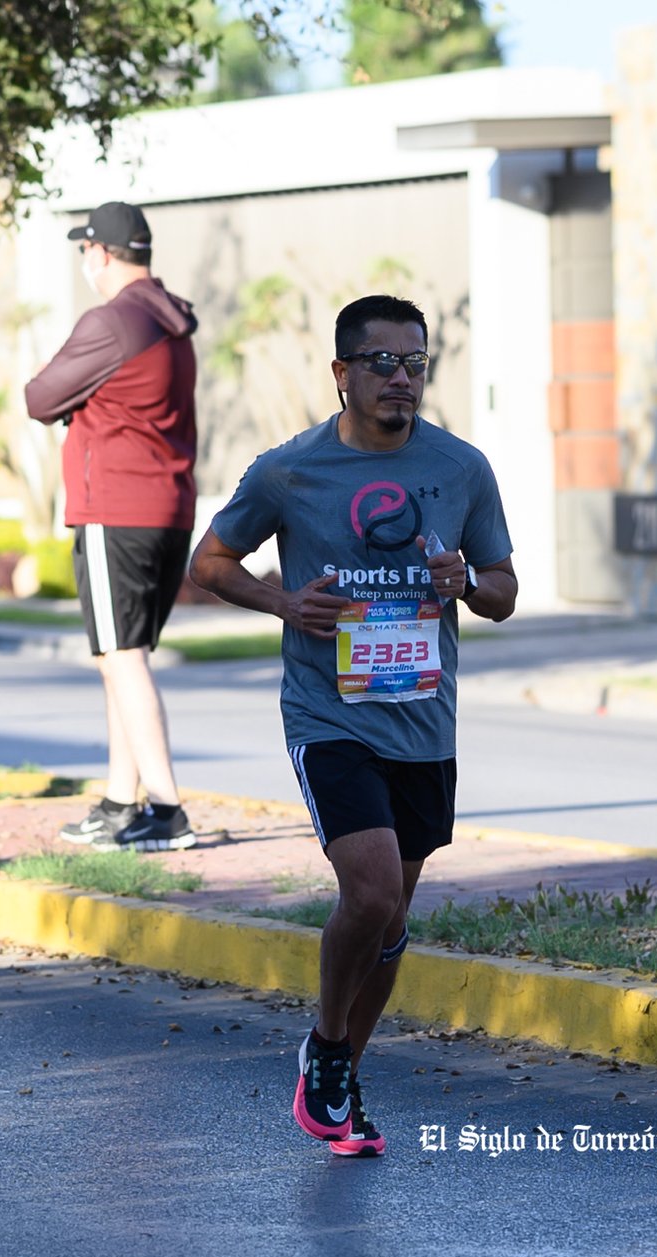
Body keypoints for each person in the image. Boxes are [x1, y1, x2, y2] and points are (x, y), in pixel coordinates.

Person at [189, 294, 517, 1156]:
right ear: (342, 374)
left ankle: (338, 1079)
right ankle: (329, 1046)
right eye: (382, 363)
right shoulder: (289, 471)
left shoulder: (462, 466)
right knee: (368, 892)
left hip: (422, 719)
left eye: (415, 364)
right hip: (328, 713)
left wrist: (465, 586)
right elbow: (211, 563)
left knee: (392, 918)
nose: (400, 380)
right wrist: (285, 602)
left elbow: (504, 593)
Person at [25, 201, 198, 852]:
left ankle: (167, 807)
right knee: (123, 658)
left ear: (101, 253)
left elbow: (40, 397)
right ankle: (120, 799)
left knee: (121, 658)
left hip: (116, 508)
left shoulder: (113, 321)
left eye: (84, 251)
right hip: (168, 506)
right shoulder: (172, 320)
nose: (83, 263)